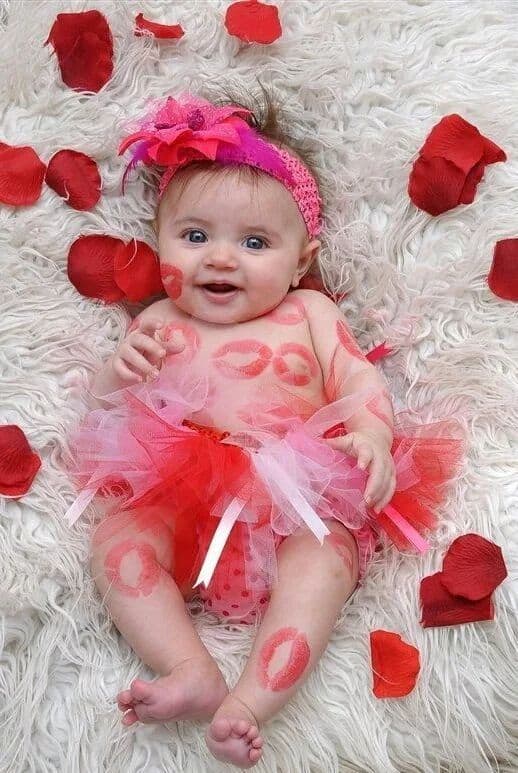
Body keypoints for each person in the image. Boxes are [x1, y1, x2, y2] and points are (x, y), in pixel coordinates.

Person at [63, 86, 465, 768]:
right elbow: (102, 409)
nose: (220, 259)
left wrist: (370, 438)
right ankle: (189, 666)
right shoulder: (159, 321)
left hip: (295, 495)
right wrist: (120, 370)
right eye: (194, 237)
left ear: (302, 259)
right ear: (158, 241)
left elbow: (357, 378)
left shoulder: (307, 310)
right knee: (116, 539)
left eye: (255, 242)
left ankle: (249, 700)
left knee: (326, 561)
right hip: (183, 503)